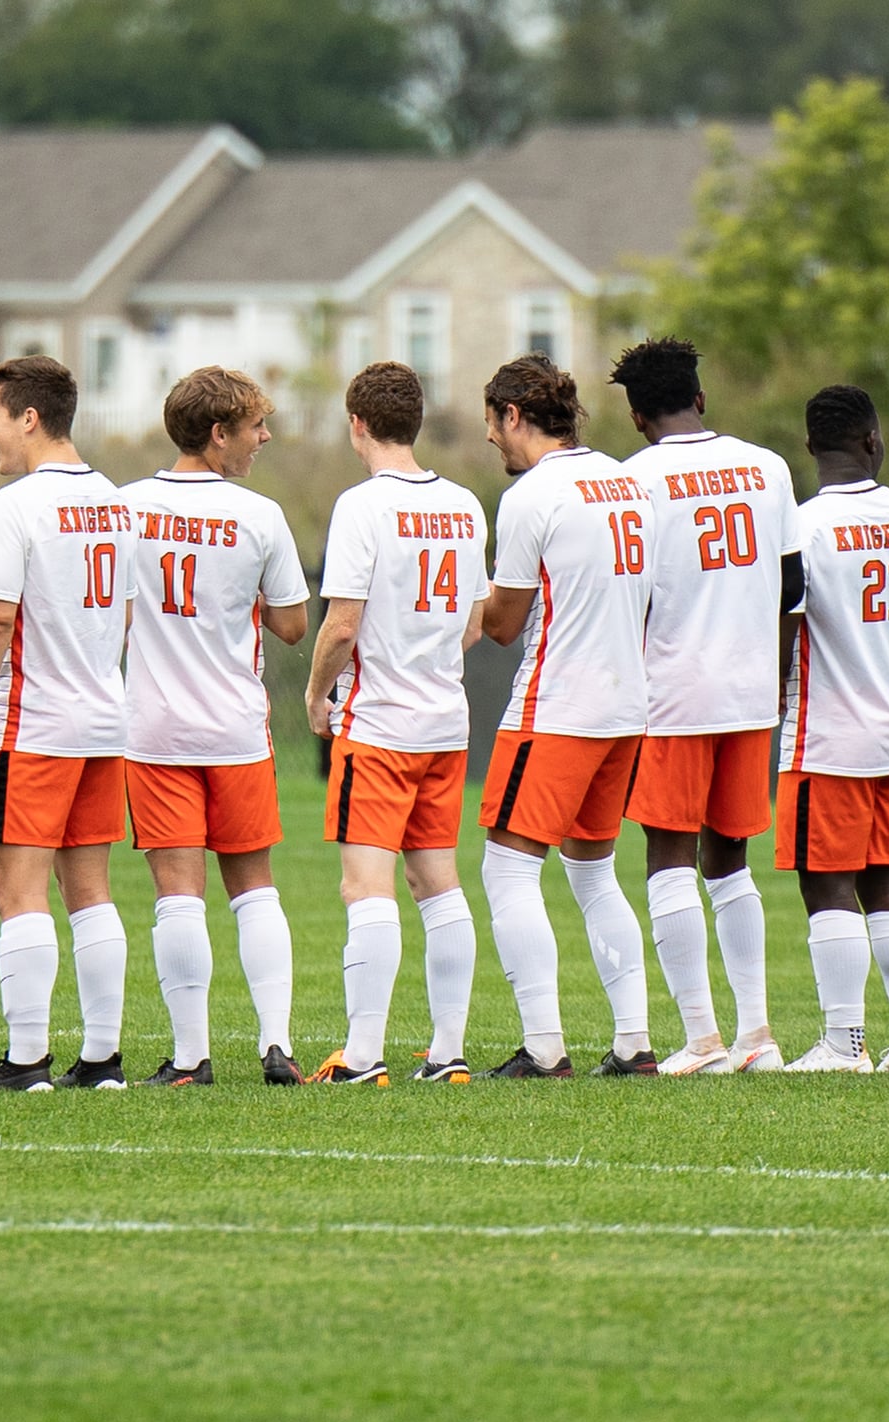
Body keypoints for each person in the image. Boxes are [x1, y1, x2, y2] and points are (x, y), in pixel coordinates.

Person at [610, 338, 797, 1077]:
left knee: (666, 860)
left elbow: (634, 595)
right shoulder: (769, 466)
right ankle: (757, 1034)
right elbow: (790, 586)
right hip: (752, 691)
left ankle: (702, 1038)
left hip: (671, 691)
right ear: (700, 397)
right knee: (730, 861)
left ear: (634, 414)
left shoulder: (634, 479)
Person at [125, 365, 311, 1087]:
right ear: (217, 433)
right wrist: (239, 597)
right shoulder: (258, 515)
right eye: (254, 426)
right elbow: (294, 626)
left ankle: (190, 1057)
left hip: (153, 728)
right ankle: (276, 1043)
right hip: (235, 729)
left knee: (177, 892)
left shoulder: (126, 506)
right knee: (254, 889)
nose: (263, 437)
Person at [301, 361, 484, 1086]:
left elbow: (341, 623)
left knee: (364, 888)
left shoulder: (361, 506)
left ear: (356, 424)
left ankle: (363, 1054)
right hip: (444, 721)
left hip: (378, 725)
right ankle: (448, 1052)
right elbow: (472, 622)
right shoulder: (466, 504)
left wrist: (316, 695)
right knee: (438, 882)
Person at [0, 355, 136, 1092]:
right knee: (89, 887)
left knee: (17, 888)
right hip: (102, 718)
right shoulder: (117, 500)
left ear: (29, 418)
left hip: (35, 724)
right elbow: (122, 612)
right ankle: (101, 1059)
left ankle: (26, 1058)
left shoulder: (20, 504)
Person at [472, 352, 652, 1080]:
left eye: (492, 422)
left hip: (556, 704)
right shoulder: (626, 479)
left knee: (507, 869)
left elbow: (504, 622)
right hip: (625, 704)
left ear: (514, 414)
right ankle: (634, 1042)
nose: (490, 439)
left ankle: (543, 1047)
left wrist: (454, 598)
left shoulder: (531, 494)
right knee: (594, 871)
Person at [775, 386, 889, 1070]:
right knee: (885, 878)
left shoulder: (803, 527)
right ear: (874, 441)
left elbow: (785, 630)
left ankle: (842, 1042)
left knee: (825, 883)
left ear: (810, 447)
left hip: (826, 732)